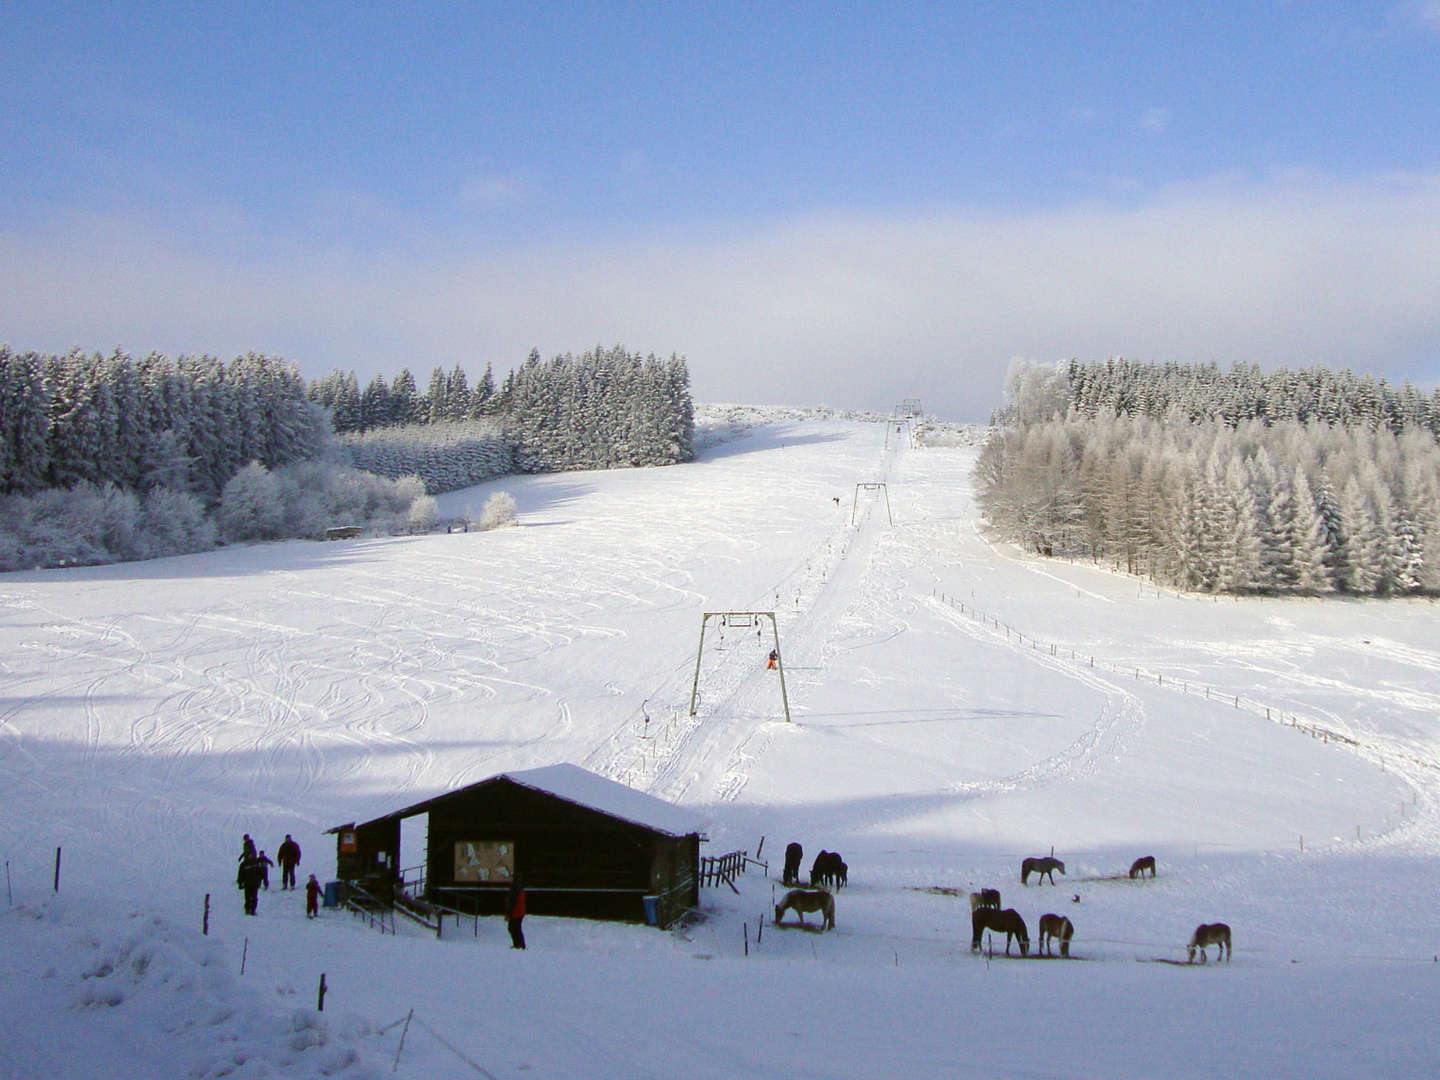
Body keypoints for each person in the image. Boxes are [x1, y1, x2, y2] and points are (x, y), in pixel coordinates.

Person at [505, 873, 526, 949]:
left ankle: (518, 944)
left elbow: (511, 902)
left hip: (515, 912)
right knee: (517, 928)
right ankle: (521, 944)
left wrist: (508, 914)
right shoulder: (520, 887)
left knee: (513, 928)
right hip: (520, 911)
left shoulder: (514, 889)